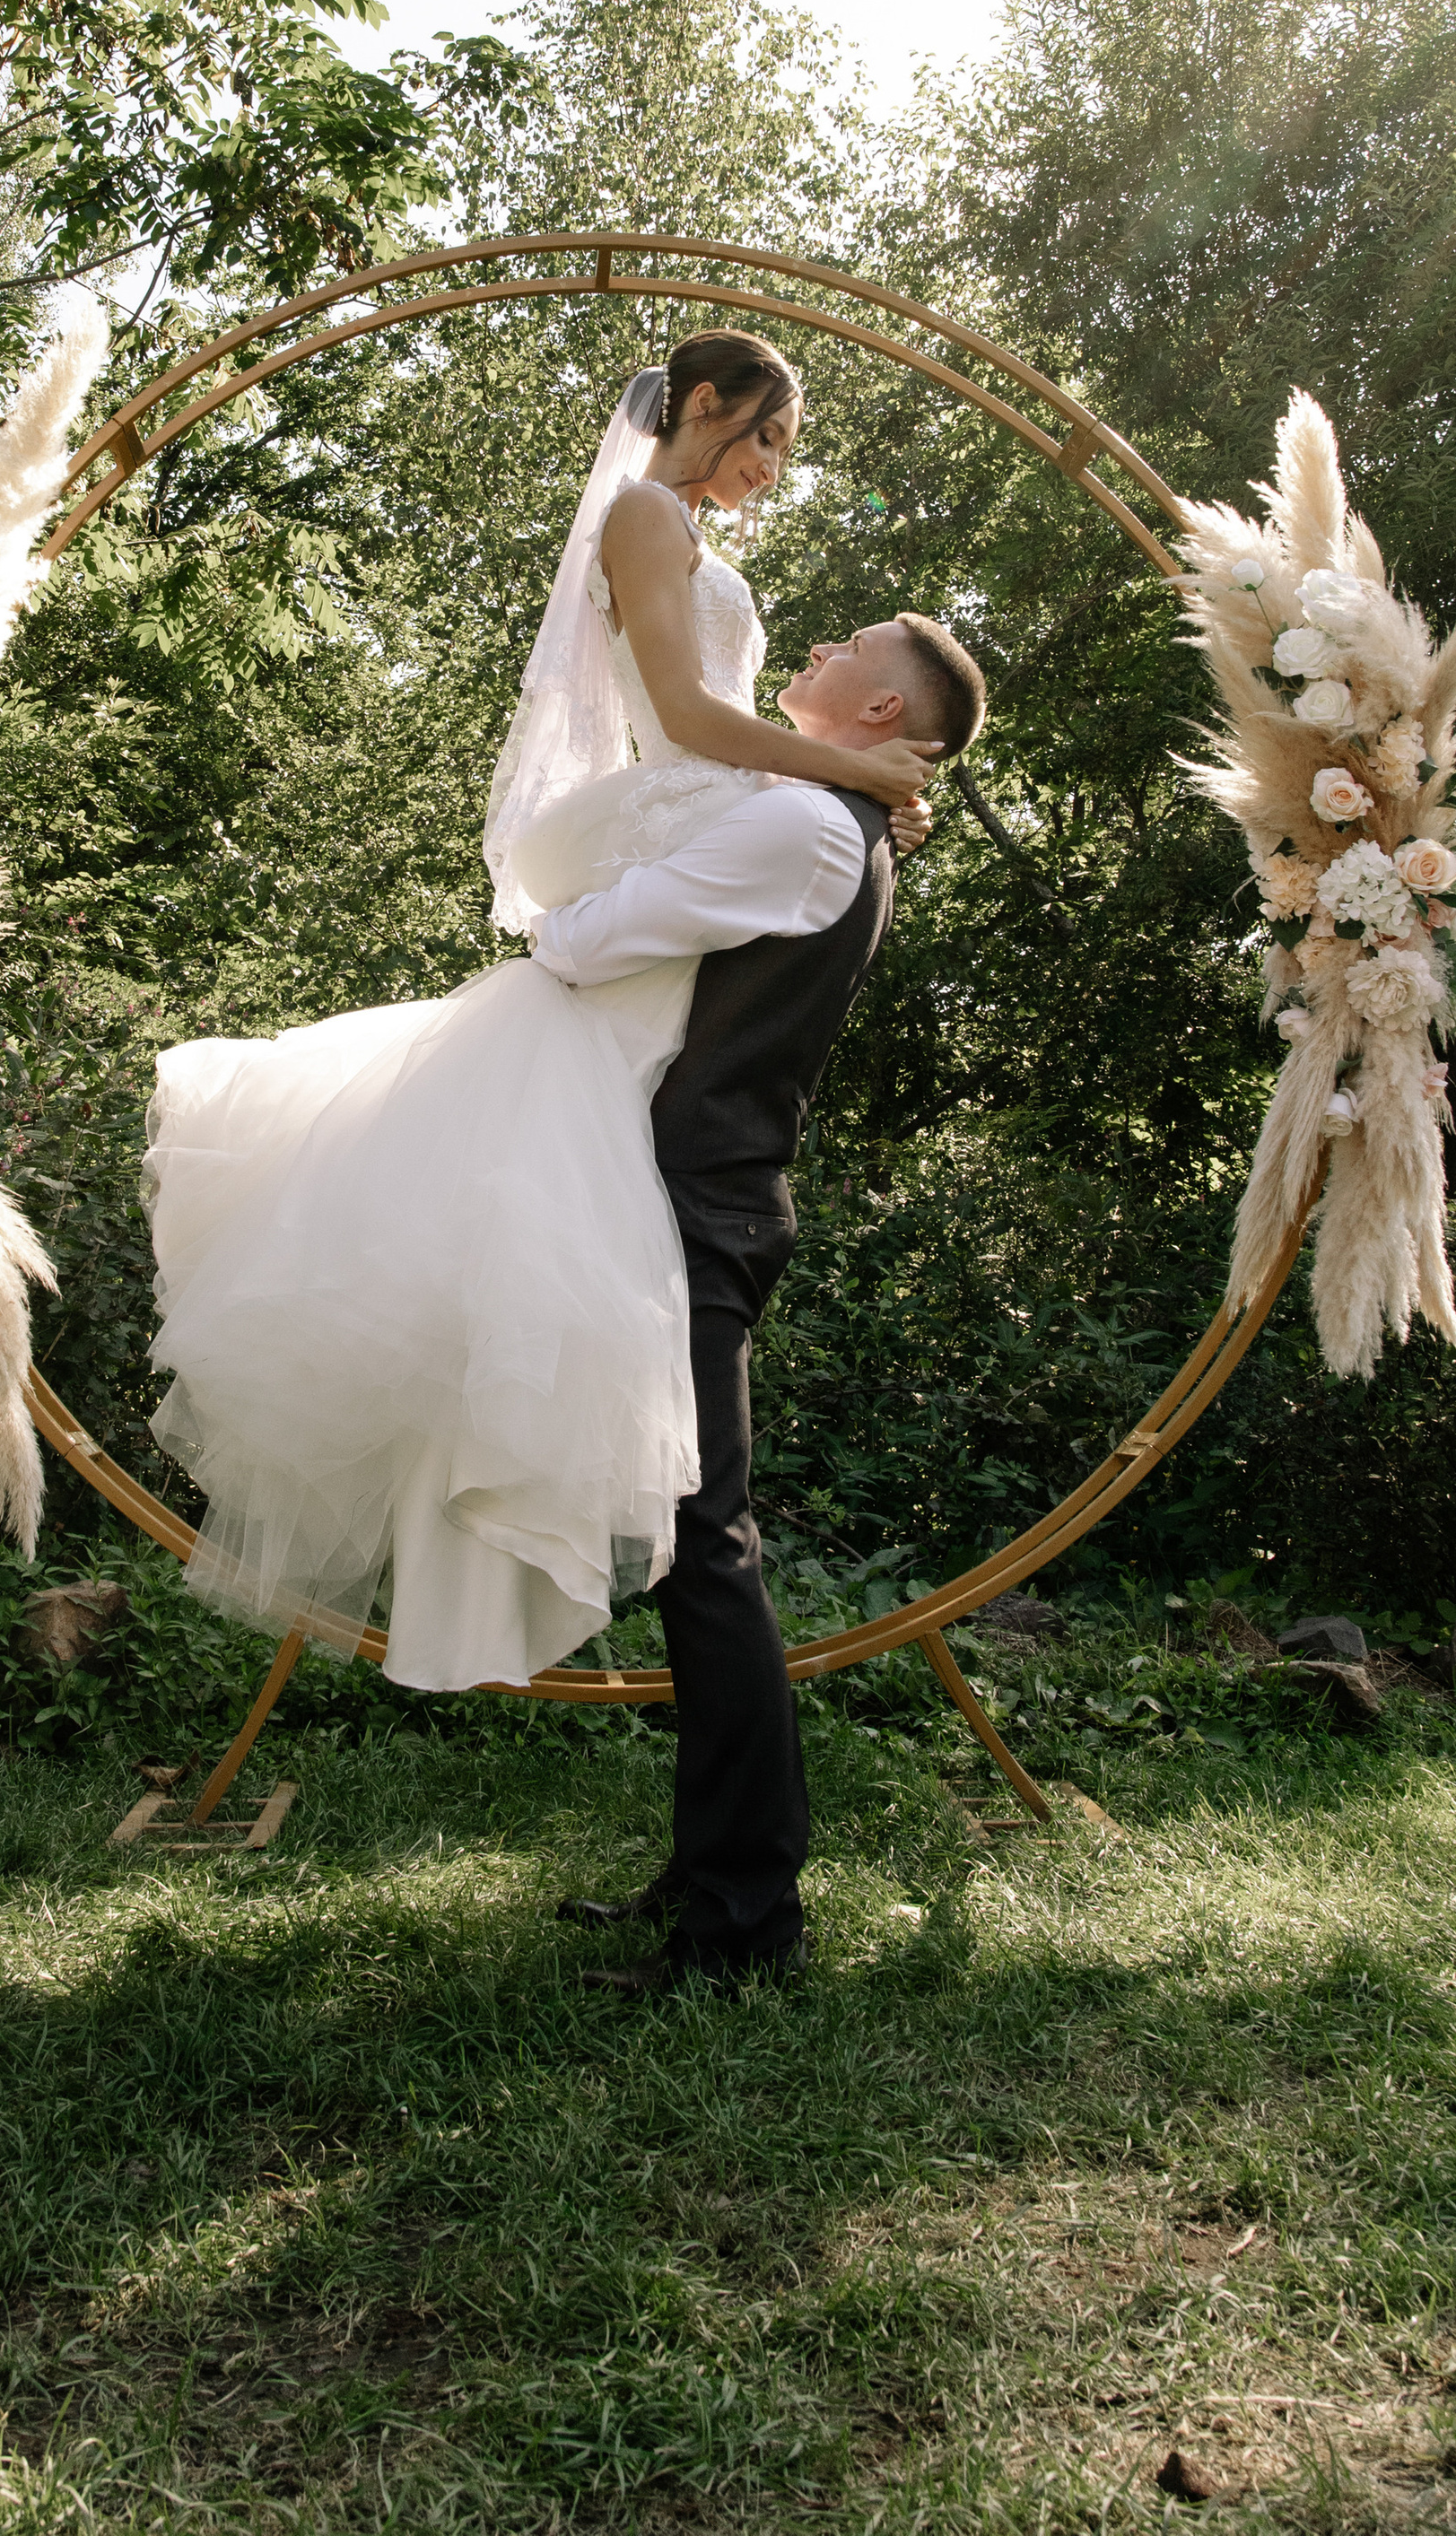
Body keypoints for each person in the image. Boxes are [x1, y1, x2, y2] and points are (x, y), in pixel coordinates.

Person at [139, 330, 973, 1710]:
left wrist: (848, 789)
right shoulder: (646, 513)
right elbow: (699, 719)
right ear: (702, 405)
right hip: (682, 796)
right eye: (763, 437)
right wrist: (845, 768)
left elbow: (739, 740)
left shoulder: (697, 555)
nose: (769, 472)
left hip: (708, 822)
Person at [534, 606, 984, 1993]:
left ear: (881, 719)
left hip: (698, 1204)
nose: (830, 638)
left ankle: (747, 1927)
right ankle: (710, 1883)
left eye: (860, 642)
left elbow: (582, 941)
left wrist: (585, 881)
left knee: (705, 1546)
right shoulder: (821, 819)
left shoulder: (804, 830)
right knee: (688, 1551)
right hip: (701, 1197)